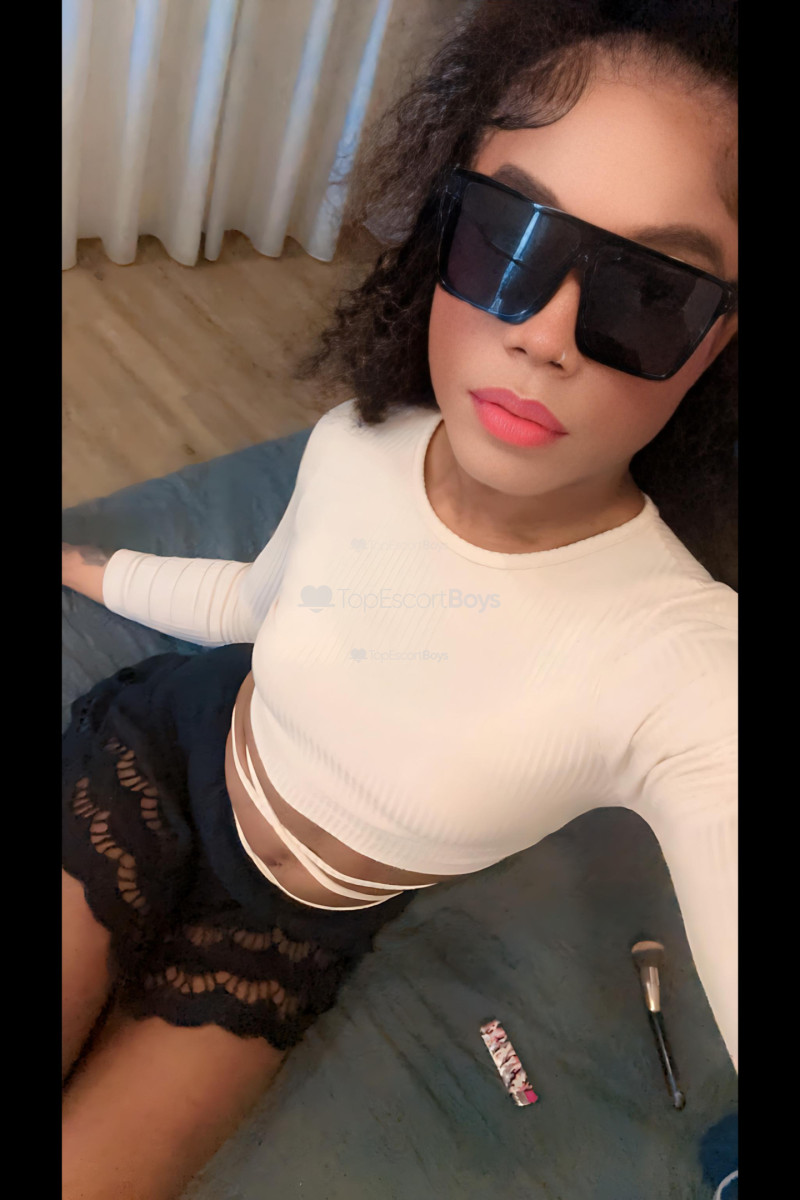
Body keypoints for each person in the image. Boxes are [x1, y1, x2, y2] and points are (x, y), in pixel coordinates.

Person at [61, 1, 738, 1196]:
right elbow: (259, 603)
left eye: (648, 291)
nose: (542, 334)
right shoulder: (355, 444)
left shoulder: (679, 661)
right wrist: (89, 571)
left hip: (287, 923)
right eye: (507, 236)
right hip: (159, 756)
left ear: (716, 344)